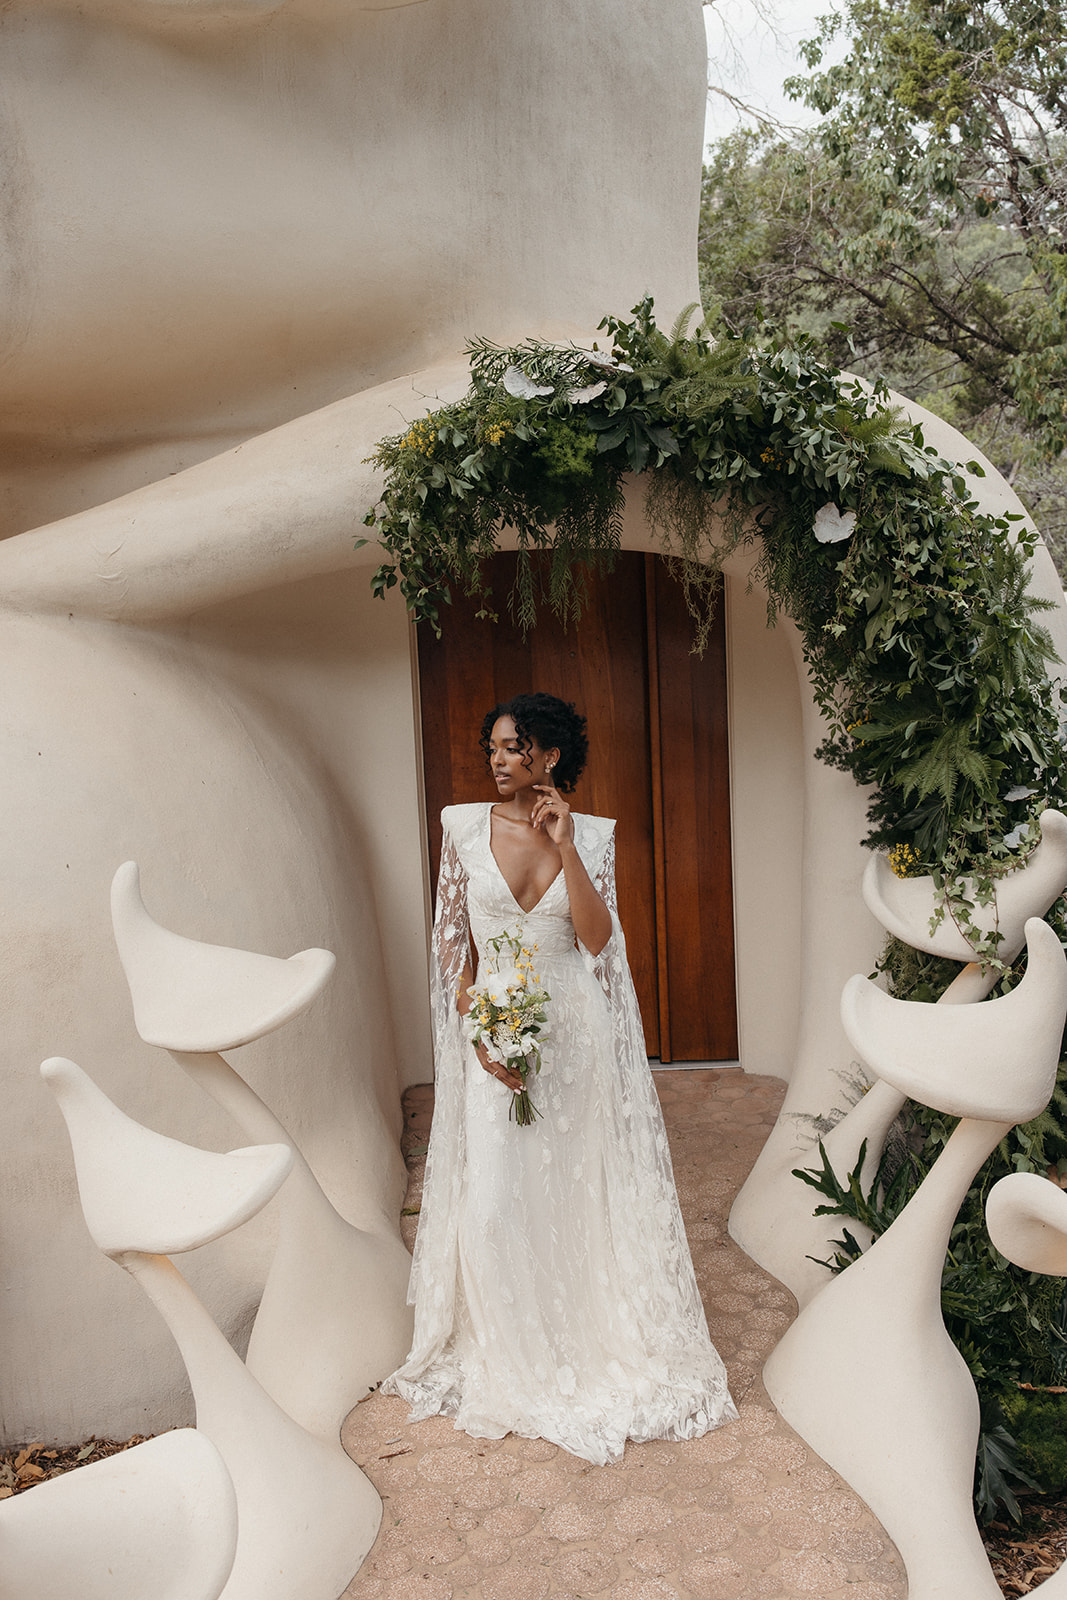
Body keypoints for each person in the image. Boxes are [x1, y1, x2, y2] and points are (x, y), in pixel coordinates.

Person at [383, 692, 737, 1464]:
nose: (497, 760)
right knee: (493, 1201)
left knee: (572, 1191)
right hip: (493, 1037)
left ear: (548, 755)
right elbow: (451, 946)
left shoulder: (593, 837)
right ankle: (511, 1348)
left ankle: (581, 1334)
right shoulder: (459, 826)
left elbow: (596, 941)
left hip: (571, 1036)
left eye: (513, 748)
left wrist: (569, 846)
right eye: (493, 748)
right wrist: (472, 1033)